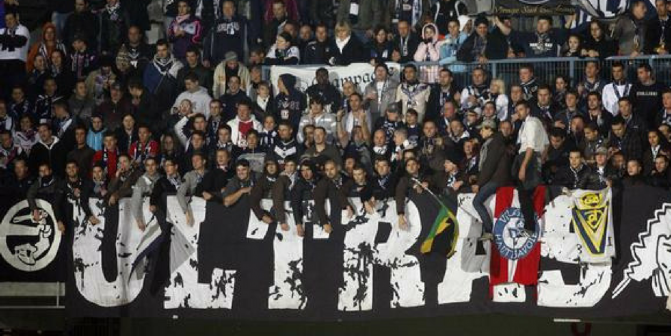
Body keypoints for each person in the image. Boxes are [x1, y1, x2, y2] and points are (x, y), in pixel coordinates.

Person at [470, 119, 511, 240]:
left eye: (483, 129)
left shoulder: (495, 142)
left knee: (476, 202)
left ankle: (488, 231)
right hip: (494, 178)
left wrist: (479, 183)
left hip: (497, 179)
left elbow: (490, 165)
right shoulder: (492, 142)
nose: (480, 132)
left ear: (489, 129)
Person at [513, 101, 548, 233]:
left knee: (524, 195)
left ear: (528, 110)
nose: (519, 113)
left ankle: (529, 226)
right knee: (527, 193)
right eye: (517, 110)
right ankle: (530, 224)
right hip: (535, 159)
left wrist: (523, 166)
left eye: (521, 109)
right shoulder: (537, 122)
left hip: (528, 159)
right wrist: (541, 160)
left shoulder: (530, 123)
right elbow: (546, 144)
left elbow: (530, 146)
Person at [314, 159, 351, 233]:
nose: (329, 172)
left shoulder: (346, 179)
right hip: (333, 218)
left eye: (332, 169)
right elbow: (318, 204)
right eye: (327, 170)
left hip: (349, 217)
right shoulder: (322, 183)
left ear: (337, 168)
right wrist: (324, 223)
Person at [27, 163, 65, 233]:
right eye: (41, 171)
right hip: (44, 216)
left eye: (45, 170)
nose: (44, 173)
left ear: (50, 171)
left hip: (58, 214)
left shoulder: (59, 182)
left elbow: (56, 202)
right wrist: (34, 209)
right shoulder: (38, 182)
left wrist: (59, 220)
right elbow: (30, 194)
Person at [177, 152, 208, 226]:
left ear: (204, 161)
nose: (194, 163)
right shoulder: (189, 175)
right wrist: (186, 211)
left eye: (197, 160)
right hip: (195, 207)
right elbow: (180, 193)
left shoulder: (209, 174)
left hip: (208, 207)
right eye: (193, 161)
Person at [131, 156, 160, 230]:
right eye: (148, 165)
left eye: (152, 165)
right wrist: (138, 219)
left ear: (157, 166)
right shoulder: (141, 180)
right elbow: (135, 200)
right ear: (145, 167)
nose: (150, 168)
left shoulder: (162, 178)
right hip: (146, 215)